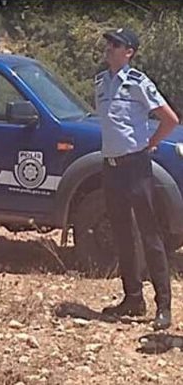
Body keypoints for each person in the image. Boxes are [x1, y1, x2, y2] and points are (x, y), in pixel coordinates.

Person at [95, 28, 180, 330]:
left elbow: (170, 119)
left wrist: (150, 143)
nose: (108, 48)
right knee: (121, 232)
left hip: (136, 166)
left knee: (149, 233)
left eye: (115, 44)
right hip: (111, 166)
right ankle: (132, 298)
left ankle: (164, 306)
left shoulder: (138, 83)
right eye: (108, 43)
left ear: (128, 52)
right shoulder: (101, 82)